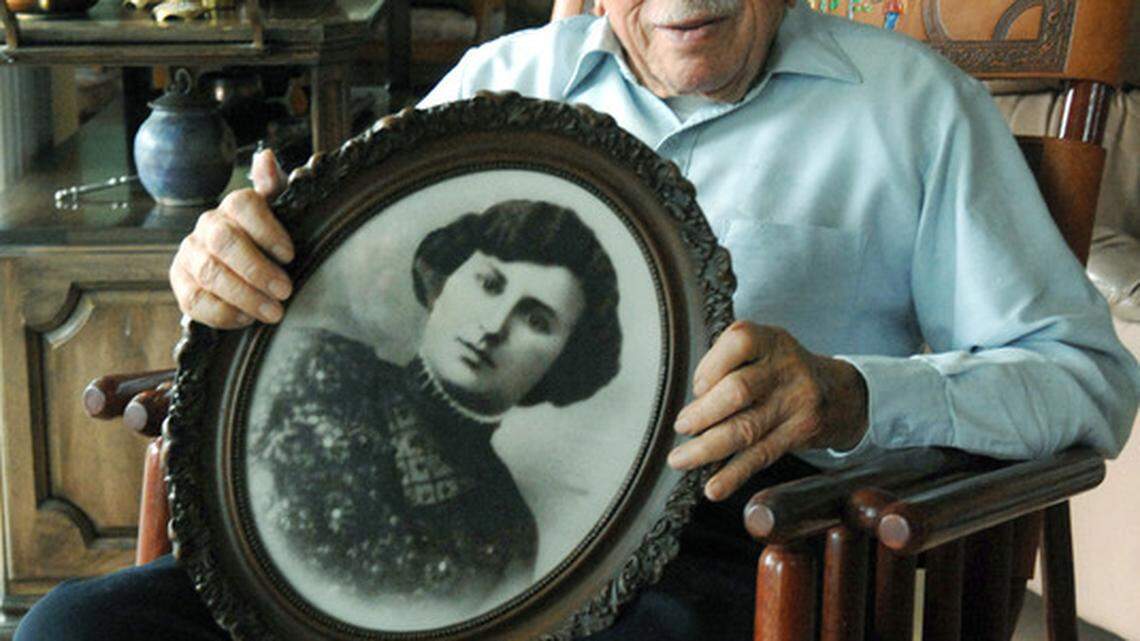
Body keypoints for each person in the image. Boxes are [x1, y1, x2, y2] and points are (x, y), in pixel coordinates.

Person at [17, 0, 1139, 639]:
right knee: (75, 634)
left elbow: (1088, 378)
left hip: (727, 548)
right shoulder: (497, 88)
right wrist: (225, 268)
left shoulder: (914, 109)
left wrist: (850, 393)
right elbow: (337, 305)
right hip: (413, 535)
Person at [248, 200, 621, 613]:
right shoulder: (315, 367)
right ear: (443, 283)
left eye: (536, 321)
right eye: (490, 285)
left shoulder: (507, 527)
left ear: (562, 363)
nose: (494, 326)